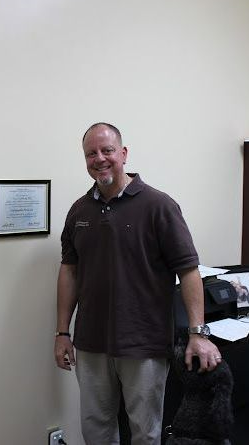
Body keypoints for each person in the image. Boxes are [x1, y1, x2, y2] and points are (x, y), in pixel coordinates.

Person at [54, 122, 222, 445]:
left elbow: (188, 271)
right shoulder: (79, 211)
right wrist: (62, 332)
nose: (99, 158)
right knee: (96, 431)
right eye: (91, 153)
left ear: (124, 154)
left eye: (107, 150)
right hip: (90, 344)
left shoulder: (159, 206)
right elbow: (69, 272)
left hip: (143, 344)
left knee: (145, 433)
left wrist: (198, 334)